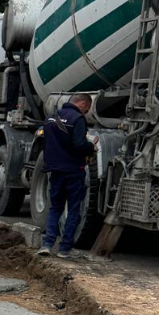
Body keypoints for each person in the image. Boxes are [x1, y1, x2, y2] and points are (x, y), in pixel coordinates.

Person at [38, 93, 96, 259]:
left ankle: (47, 245)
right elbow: (79, 144)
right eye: (87, 108)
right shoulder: (77, 119)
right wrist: (90, 147)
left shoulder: (51, 118)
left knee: (55, 208)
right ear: (83, 104)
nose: (87, 112)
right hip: (73, 171)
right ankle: (64, 249)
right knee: (73, 210)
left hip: (55, 171)